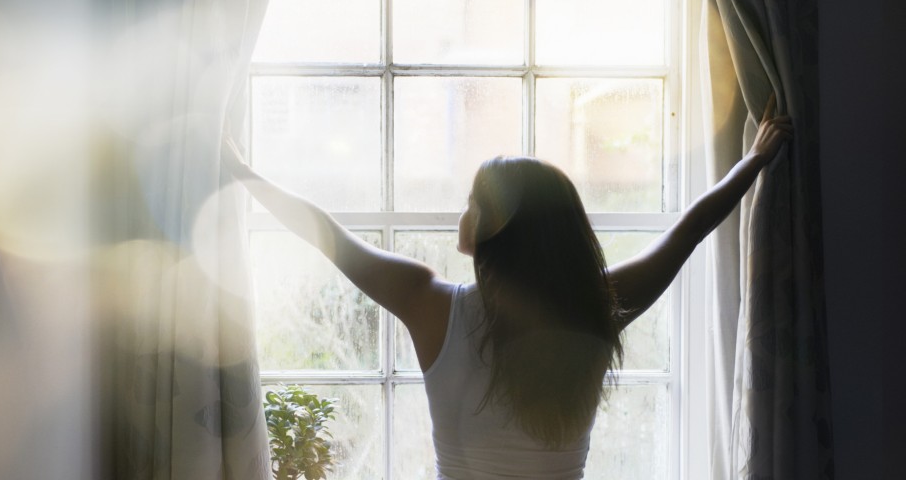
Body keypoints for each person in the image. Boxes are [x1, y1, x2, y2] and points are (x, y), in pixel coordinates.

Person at [221, 95, 792, 479]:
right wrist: (754, 160)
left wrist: (244, 174)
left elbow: (326, 234)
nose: (461, 211)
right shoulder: (595, 310)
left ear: (497, 228)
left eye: (472, 202)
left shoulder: (427, 302)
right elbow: (686, 232)